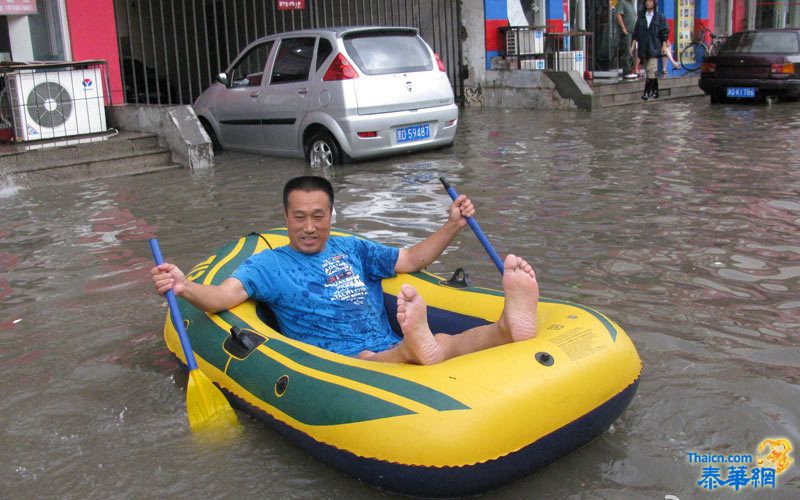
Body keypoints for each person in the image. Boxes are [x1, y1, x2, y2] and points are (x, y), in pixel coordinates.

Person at [151, 176, 539, 365]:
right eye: (299, 217)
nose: (308, 227)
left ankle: (509, 326)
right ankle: (414, 346)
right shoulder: (268, 265)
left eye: (318, 216)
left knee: (444, 342)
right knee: (383, 355)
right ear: (285, 218)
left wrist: (453, 224)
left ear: (331, 216)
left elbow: (411, 259)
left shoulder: (350, 247)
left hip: (390, 340)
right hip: (344, 362)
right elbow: (222, 298)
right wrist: (184, 286)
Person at [631, 0, 669, 100]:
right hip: (644, 47)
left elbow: (664, 33)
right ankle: (655, 91)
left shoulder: (660, 17)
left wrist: (664, 46)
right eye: (647, 1)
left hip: (655, 47)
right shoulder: (641, 17)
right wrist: (632, 46)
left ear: (654, 3)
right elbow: (635, 33)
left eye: (650, 1)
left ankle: (646, 92)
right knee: (650, 71)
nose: (648, 3)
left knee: (650, 69)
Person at [614, 0, 638, 79]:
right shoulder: (622, 2)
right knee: (626, 52)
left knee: (631, 52)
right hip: (626, 33)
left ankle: (631, 71)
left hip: (633, 33)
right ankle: (626, 72)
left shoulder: (630, 4)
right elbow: (618, 15)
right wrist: (623, 28)